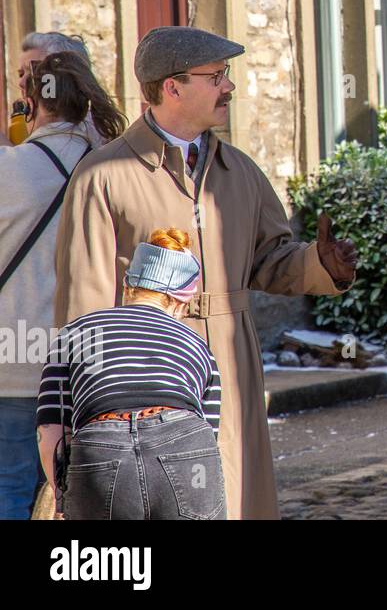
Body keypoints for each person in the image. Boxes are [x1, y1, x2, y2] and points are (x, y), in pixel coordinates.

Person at [54, 26, 358, 519]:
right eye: (216, 76)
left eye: (227, 75)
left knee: (234, 497)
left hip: (232, 371)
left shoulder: (239, 171)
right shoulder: (102, 177)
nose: (229, 88)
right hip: (146, 379)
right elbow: (82, 310)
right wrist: (79, 414)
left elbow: (268, 262)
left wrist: (319, 264)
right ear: (171, 87)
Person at [0, 51, 125, 520]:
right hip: (90, 364)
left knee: (9, 485)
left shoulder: (8, 169)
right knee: (84, 494)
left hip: (12, 362)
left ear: (30, 105)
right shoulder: (114, 167)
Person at [36, 229, 225, 520]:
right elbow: (206, 441)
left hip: (101, 446)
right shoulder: (199, 347)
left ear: (127, 285)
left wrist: (65, 499)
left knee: (114, 566)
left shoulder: (75, 333)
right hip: (185, 444)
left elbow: (51, 433)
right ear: (180, 303)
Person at [2, 32, 108, 148]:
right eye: (21, 74)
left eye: (35, 72)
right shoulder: (26, 122)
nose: (21, 83)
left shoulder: (88, 131)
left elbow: (40, 162)